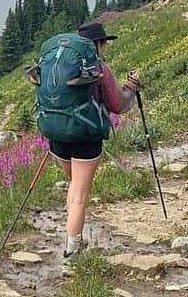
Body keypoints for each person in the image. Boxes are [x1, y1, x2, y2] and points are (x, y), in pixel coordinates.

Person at [49, 21, 139, 259]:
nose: (105, 47)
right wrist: (132, 86)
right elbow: (118, 105)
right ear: (97, 45)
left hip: (57, 138)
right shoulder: (99, 68)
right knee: (79, 193)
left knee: (74, 185)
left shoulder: (60, 64)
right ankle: (72, 250)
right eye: (104, 43)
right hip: (86, 138)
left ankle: (72, 234)